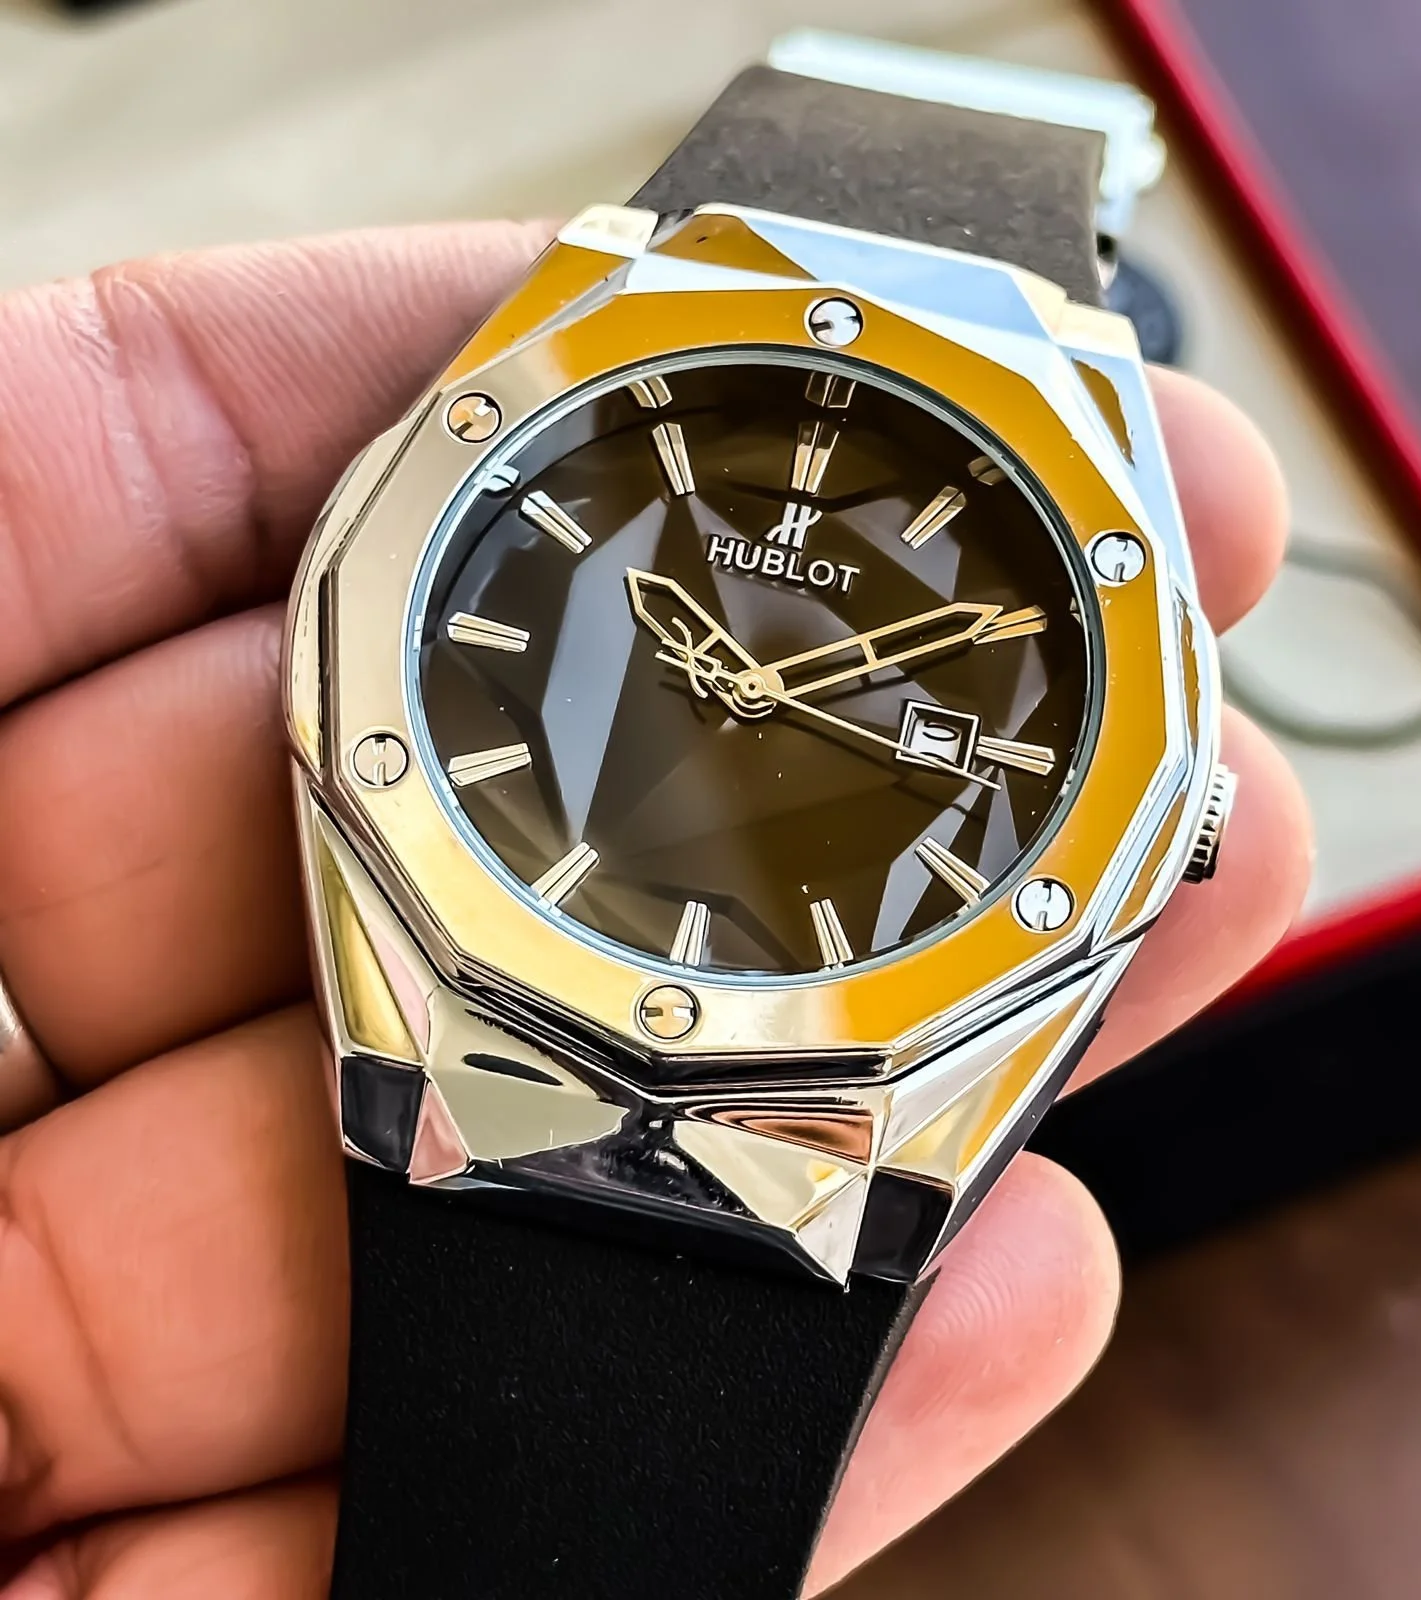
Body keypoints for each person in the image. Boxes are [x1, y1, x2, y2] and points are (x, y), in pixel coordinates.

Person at [0, 223, 1310, 1598]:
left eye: (761, 692)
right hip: (466, 1017)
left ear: (1185, 821)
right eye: (736, 680)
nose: (752, 691)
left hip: (813, 1134)